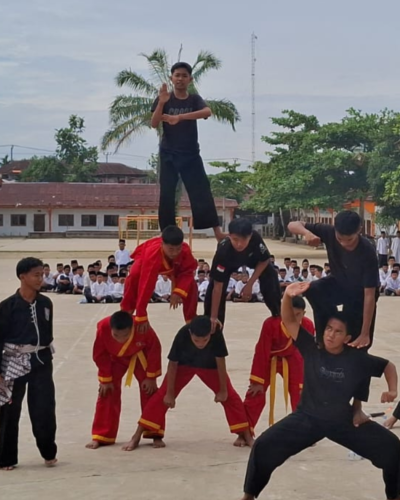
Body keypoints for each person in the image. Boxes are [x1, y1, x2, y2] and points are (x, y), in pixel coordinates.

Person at [228, 282, 400, 500]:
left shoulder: (355, 358)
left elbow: (388, 366)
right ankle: (249, 495)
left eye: (337, 332)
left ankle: (394, 496)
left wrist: (393, 390)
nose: (330, 335)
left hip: (342, 421)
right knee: (264, 446)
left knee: (391, 445)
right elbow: (288, 320)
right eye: (328, 329)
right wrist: (287, 295)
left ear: (347, 337)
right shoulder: (311, 348)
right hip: (307, 417)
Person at [123, 316, 253, 450]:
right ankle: (136, 436)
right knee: (161, 397)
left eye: (205, 340)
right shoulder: (182, 334)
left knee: (231, 397)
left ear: (210, 334)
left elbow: (220, 361)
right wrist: (170, 393)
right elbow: (172, 364)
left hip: (210, 366)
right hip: (184, 366)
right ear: (190, 333)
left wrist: (224, 390)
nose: (201, 344)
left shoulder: (216, 333)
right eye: (196, 340)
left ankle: (247, 436)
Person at [0, 257, 58, 471]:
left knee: (44, 408)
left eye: (42, 274)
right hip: (13, 364)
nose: (40, 278)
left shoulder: (46, 303)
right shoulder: (7, 307)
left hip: (41, 362)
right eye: (36, 275)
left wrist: (43, 353)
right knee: (10, 411)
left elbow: (47, 334)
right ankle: (7, 458)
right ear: (22, 277)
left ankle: (48, 451)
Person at [150, 62, 223, 241]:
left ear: (190, 79)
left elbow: (207, 111)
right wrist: (161, 103)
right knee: (167, 193)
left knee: (201, 190)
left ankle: (217, 232)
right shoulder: (164, 98)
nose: (180, 78)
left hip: (190, 154)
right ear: (171, 78)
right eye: (177, 75)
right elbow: (153, 123)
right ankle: (166, 232)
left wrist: (179, 117)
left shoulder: (194, 99)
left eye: (184, 75)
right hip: (169, 154)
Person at [287, 211, 379, 349]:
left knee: (357, 344)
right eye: (340, 238)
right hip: (338, 283)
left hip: (359, 296)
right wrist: (307, 233)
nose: (344, 244)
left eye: (349, 240)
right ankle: (322, 337)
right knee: (312, 289)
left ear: (359, 231)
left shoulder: (367, 252)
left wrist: (365, 333)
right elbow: (293, 224)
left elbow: (370, 295)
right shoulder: (329, 232)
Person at [87, 311, 163, 449]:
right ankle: (102, 436)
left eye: (125, 335)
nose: (121, 339)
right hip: (114, 359)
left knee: (149, 391)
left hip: (139, 356)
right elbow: (99, 354)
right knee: (107, 391)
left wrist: (151, 377)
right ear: (110, 329)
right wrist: (105, 379)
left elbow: (154, 349)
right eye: (116, 335)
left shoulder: (142, 326)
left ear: (132, 328)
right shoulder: (103, 327)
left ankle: (155, 433)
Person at [243, 297, 316, 430]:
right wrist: (257, 381)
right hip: (269, 358)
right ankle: (245, 431)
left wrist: (310, 377)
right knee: (255, 392)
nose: (293, 319)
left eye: (298, 315)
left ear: (304, 313)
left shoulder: (308, 325)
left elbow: (309, 353)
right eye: (290, 314)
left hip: (293, 357)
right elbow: (261, 351)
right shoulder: (270, 323)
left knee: (301, 392)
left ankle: (304, 431)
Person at [205, 218, 281, 331]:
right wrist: (213, 317)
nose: (239, 244)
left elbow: (264, 260)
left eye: (244, 239)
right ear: (229, 236)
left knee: (270, 273)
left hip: (251, 260)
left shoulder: (255, 238)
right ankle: (213, 326)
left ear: (250, 236)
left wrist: (250, 284)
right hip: (229, 264)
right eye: (235, 239)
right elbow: (218, 287)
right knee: (213, 290)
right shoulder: (223, 251)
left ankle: (278, 314)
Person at [119, 225, 198, 331]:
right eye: (171, 249)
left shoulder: (185, 250)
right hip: (146, 260)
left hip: (173, 267)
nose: (174, 253)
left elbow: (188, 272)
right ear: (162, 244)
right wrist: (141, 314)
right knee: (134, 276)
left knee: (191, 285)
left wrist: (178, 291)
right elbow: (146, 284)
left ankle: (191, 320)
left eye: (178, 249)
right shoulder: (152, 254)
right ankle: (126, 312)